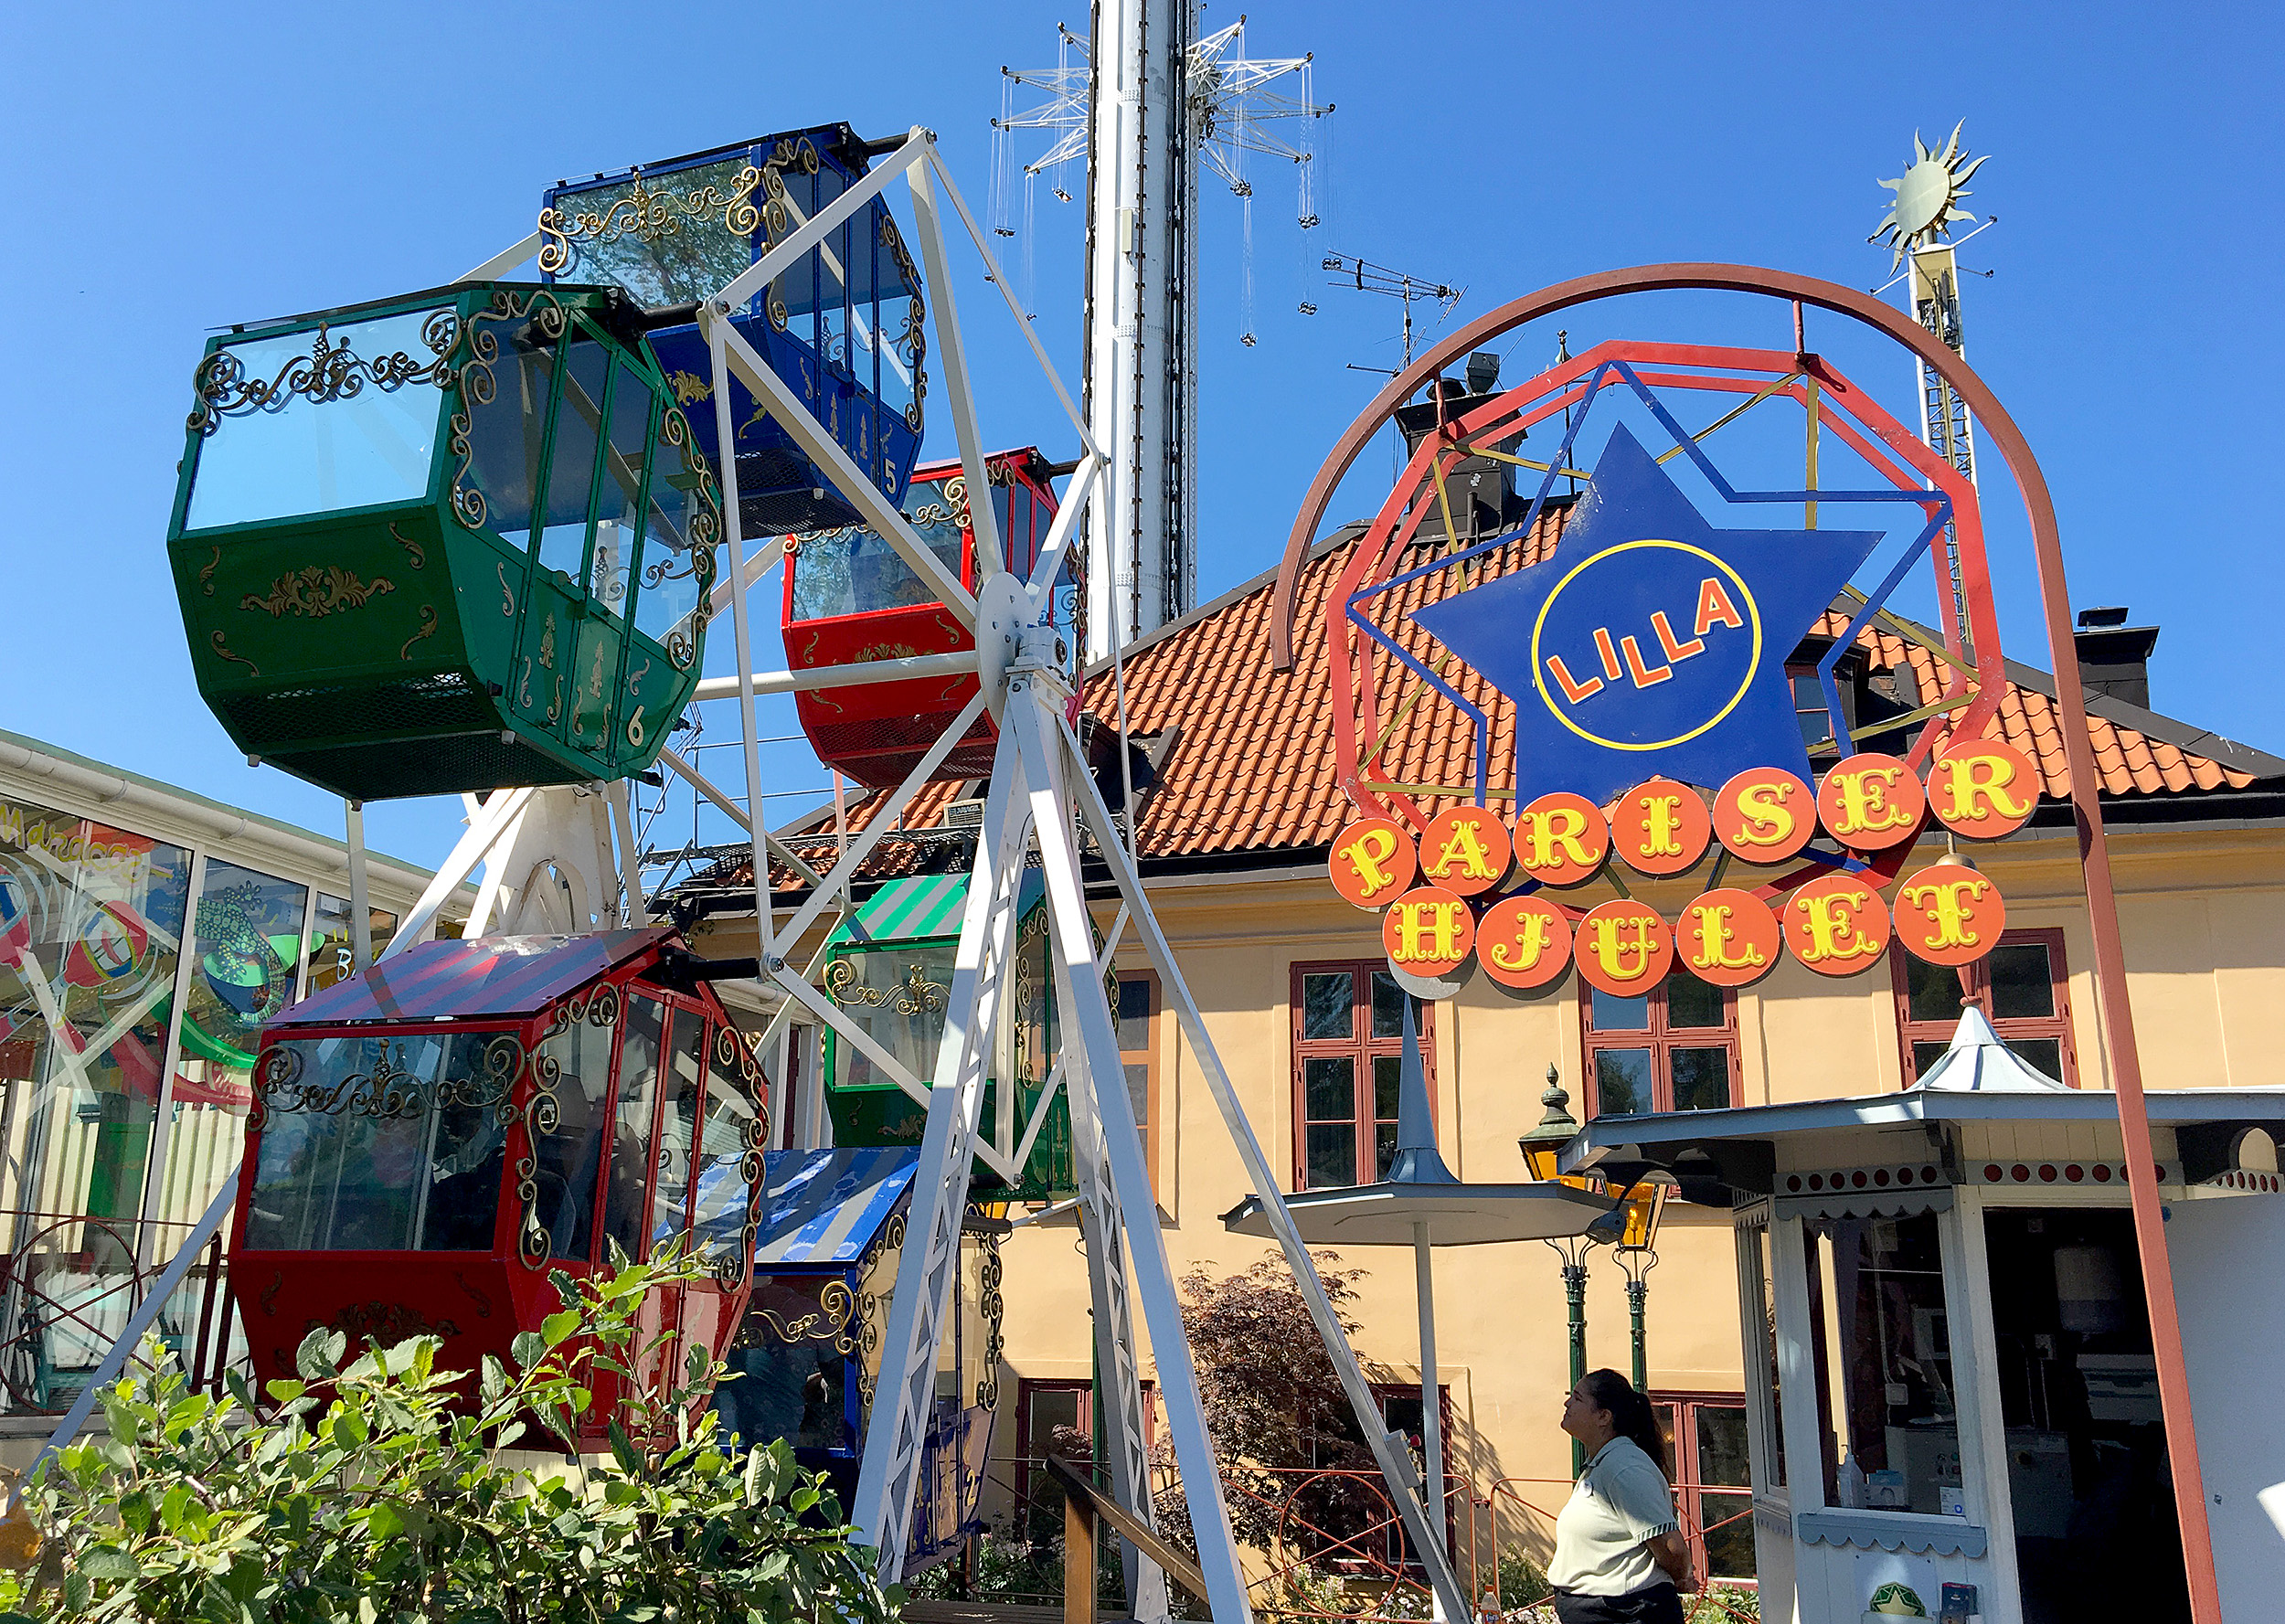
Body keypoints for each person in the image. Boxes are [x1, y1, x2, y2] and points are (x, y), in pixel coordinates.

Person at [1547, 1368, 1695, 1624]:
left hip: (1628, 1612)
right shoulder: (1605, 1463)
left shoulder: (1624, 1466)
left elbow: (1671, 1546)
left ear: (1604, 1416)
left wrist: (1681, 1576)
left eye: (1578, 1398)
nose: (1567, 1402)